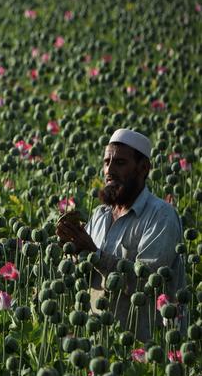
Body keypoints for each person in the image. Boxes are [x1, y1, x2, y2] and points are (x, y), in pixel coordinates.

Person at [56, 128, 186, 341]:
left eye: (120, 163)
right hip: (97, 341)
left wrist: (94, 254)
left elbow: (148, 283)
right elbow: (85, 274)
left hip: (144, 348)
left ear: (143, 168)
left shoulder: (161, 216)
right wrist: (69, 250)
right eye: (106, 162)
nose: (109, 170)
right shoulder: (100, 216)